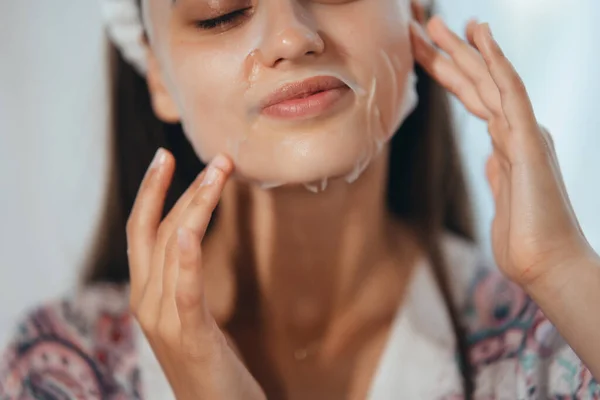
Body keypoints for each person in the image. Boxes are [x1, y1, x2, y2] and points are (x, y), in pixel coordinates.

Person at [1, 0, 599, 398]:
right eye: (222, 9)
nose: (291, 37)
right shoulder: (63, 368)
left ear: (414, 9)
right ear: (155, 71)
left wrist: (565, 271)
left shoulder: (552, 345)